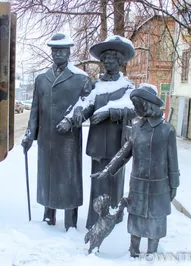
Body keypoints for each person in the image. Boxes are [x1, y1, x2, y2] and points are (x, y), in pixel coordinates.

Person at [91, 83, 180, 257]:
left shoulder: (166, 130)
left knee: (155, 221)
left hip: (159, 186)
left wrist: (174, 184)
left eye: (137, 105)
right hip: (138, 184)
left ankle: (152, 253)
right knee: (136, 219)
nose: (135, 108)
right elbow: (124, 153)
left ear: (147, 104)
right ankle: (133, 251)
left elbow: (173, 160)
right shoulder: (137, 129)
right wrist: (108, 170)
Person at [62, 35, 136, 230]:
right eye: (105, 59)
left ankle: (114, 221)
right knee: (98, 183)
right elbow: (86, 107)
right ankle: (95, 220)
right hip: (97, 146)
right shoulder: (95, 86)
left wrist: (108, 112)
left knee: (115, 182)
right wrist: (74, 116)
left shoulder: (127, 86)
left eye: (112, 59)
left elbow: (133, 110)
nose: (107, 62)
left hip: (118, 145)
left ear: (120, 61)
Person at [21, 33, 92, 231]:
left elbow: (87, 105)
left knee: (69, 181)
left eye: (62, 50)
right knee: (48, 178)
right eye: (54, 50)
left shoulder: (82, 78)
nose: (58, 53)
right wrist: (29, 135)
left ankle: (70, 222)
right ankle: (47, 219)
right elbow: (35, 110)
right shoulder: (41, 79)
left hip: (68, 140)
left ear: (69, 52)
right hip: (46, 141)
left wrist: (72, 120)